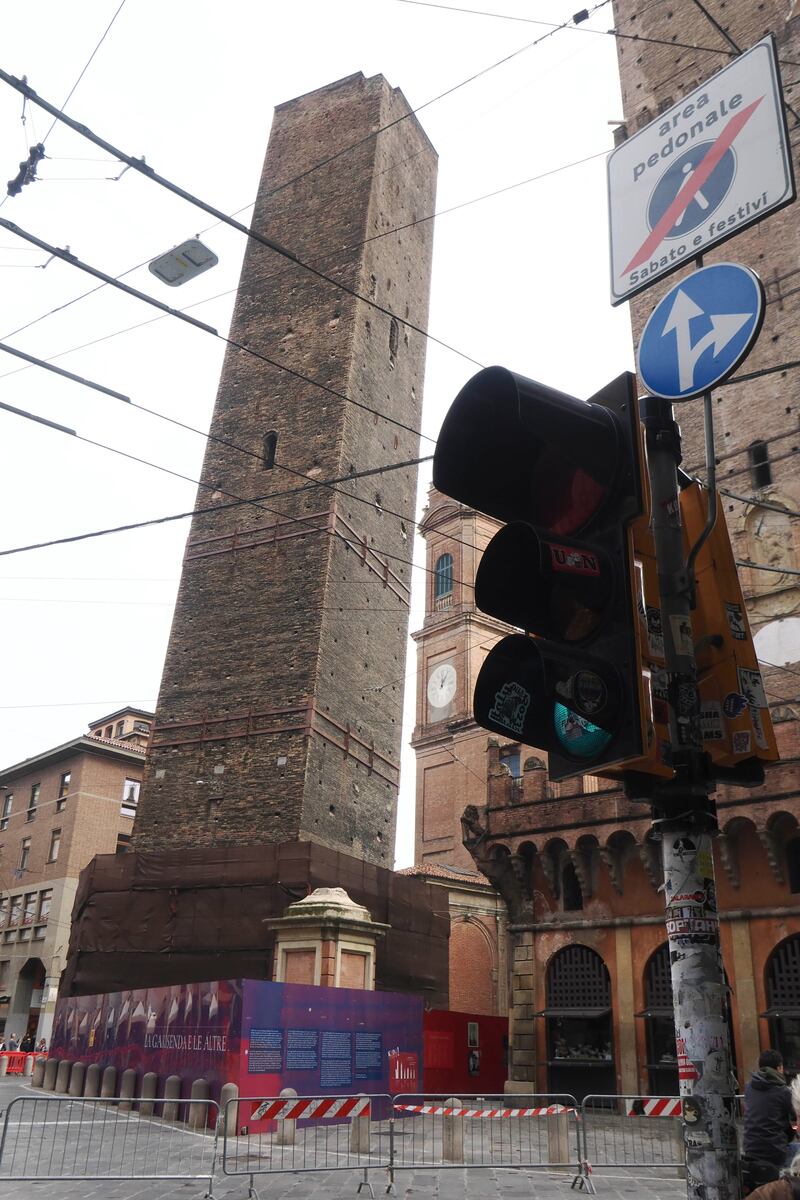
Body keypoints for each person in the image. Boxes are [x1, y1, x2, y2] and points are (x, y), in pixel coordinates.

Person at [744, 1050, 797, 1186]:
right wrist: (793, 1131)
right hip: (775, 1151)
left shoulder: (749, 1088)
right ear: (779, 1068)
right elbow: (794, 1119)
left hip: (750, 1148)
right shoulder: (783, 1092)